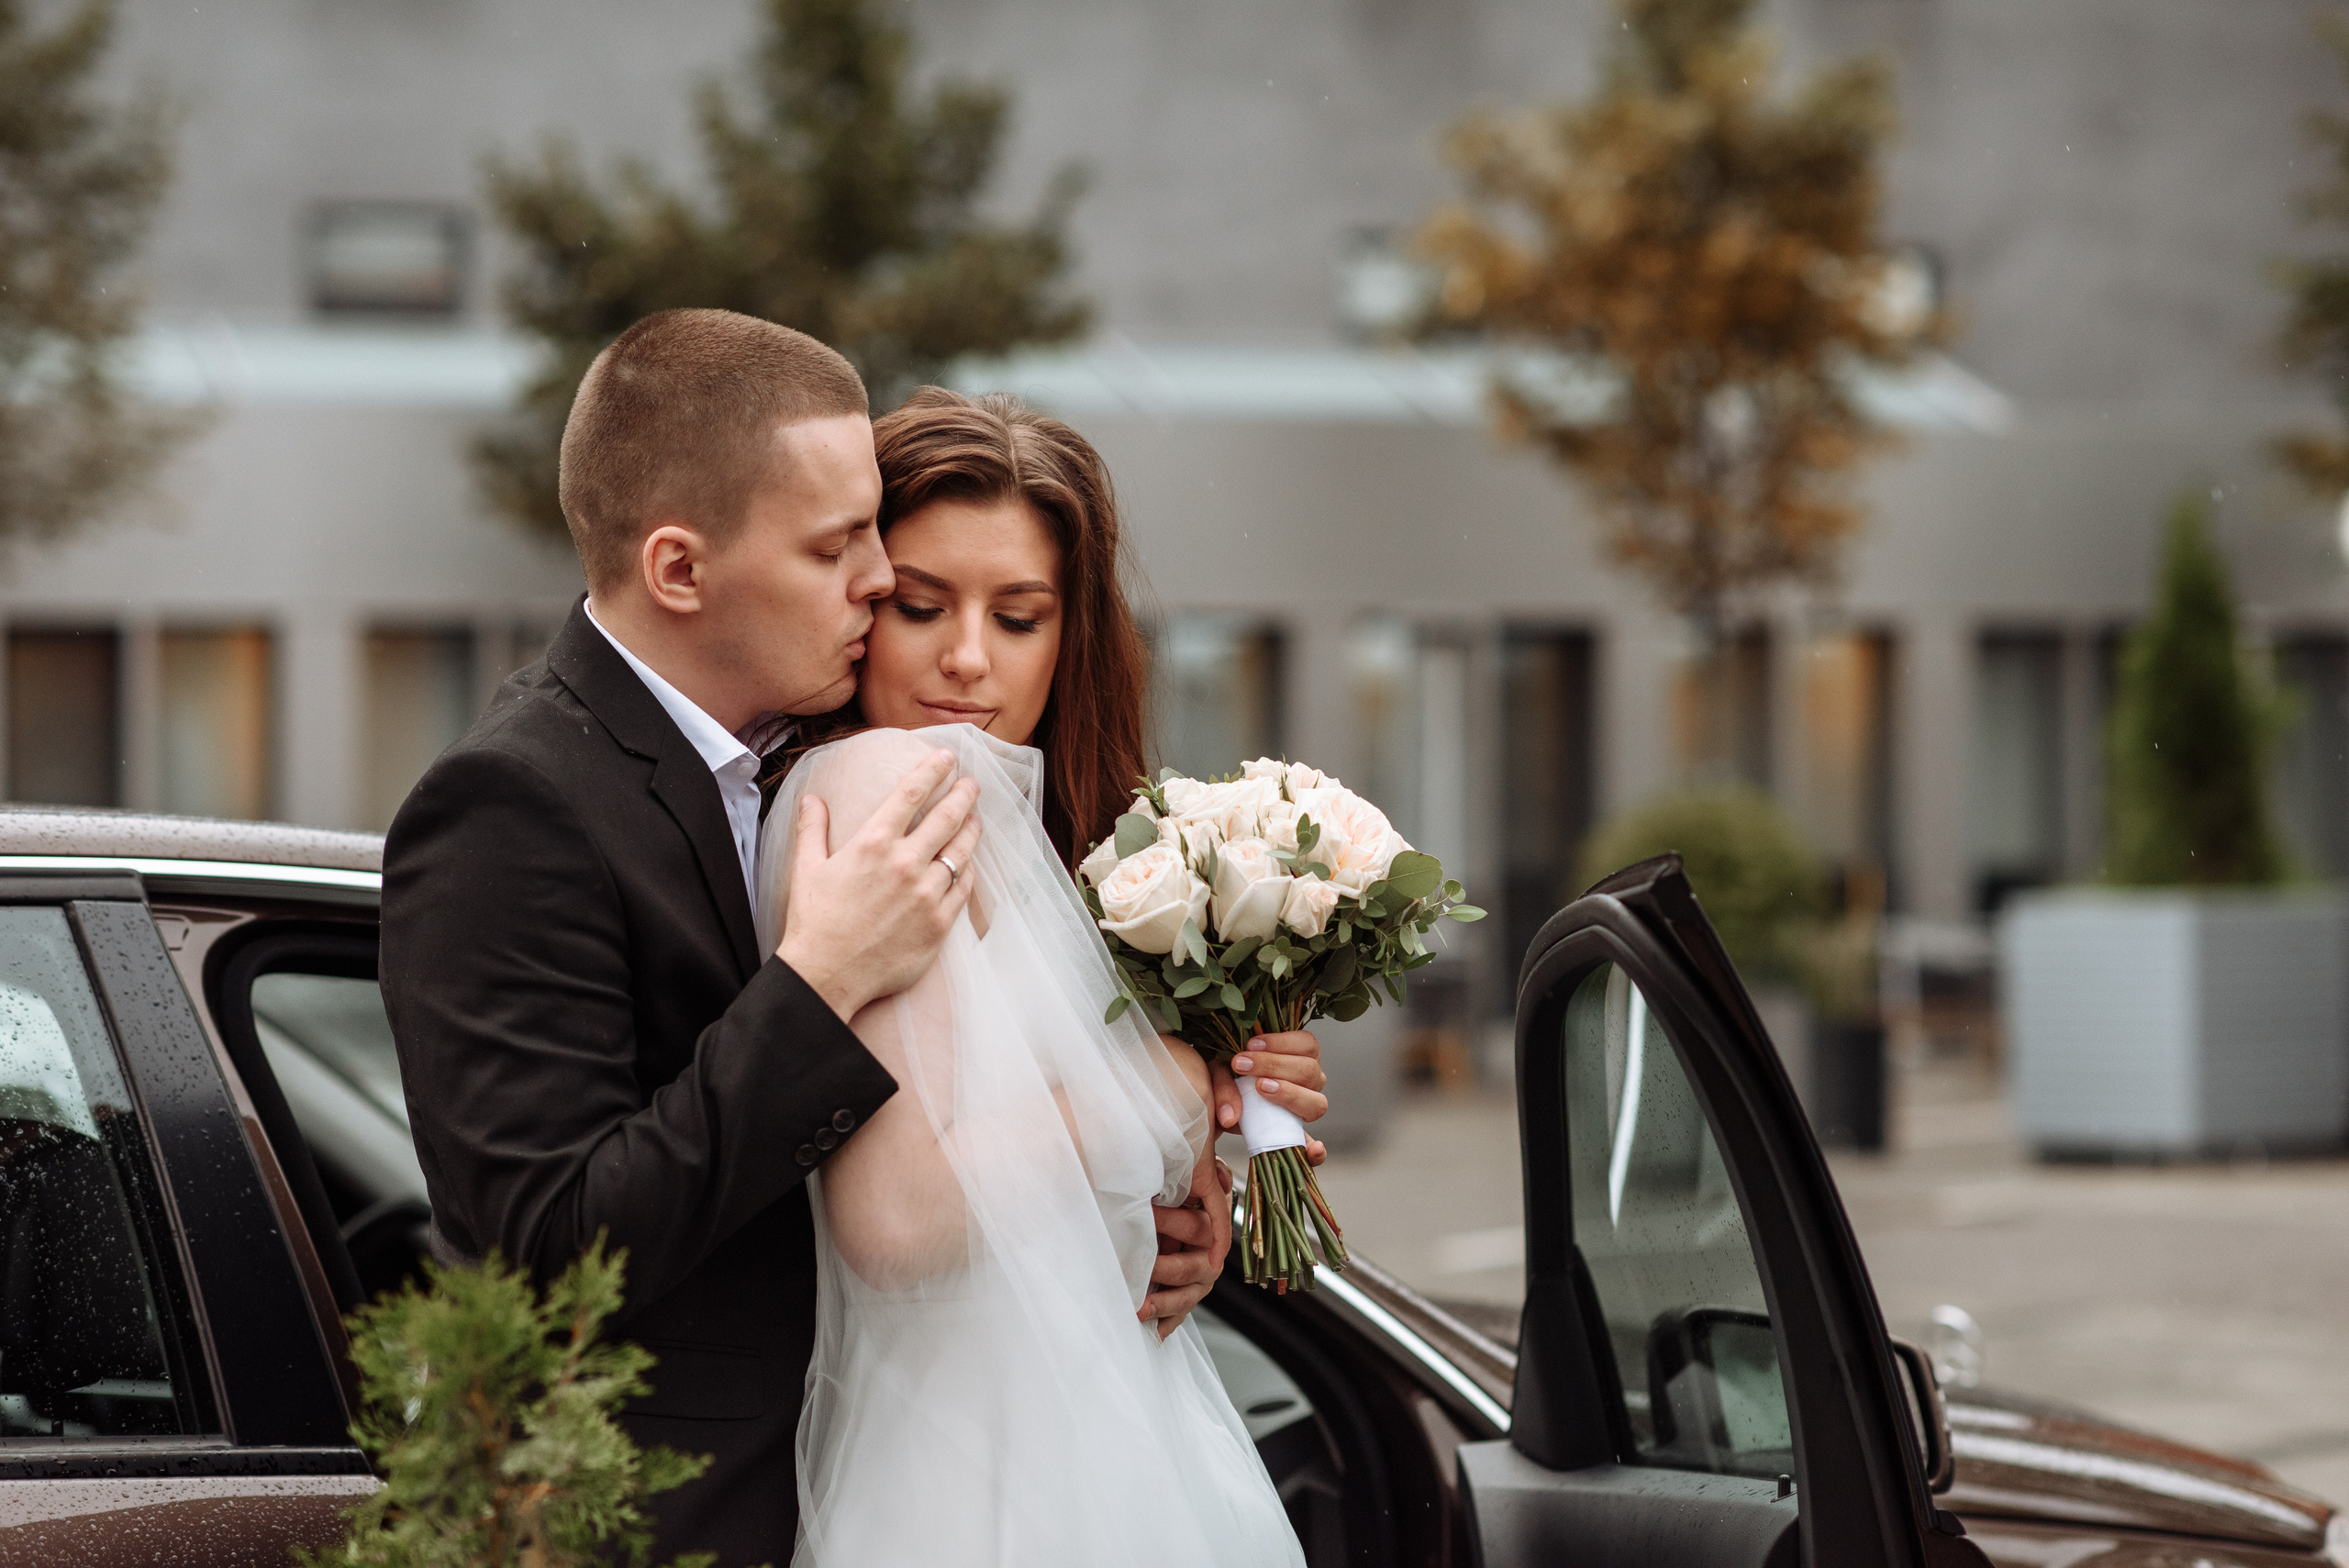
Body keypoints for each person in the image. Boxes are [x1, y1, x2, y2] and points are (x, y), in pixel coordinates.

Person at [382, 313, 1269, 1567]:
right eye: (841, 546)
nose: (873, 579)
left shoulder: (807, 763)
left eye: (872, 536)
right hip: (667, 1525)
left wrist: (1172, 1183)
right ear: (682, 571)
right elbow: (546, 1247)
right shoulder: (516, 804)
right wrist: (821, 981)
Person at [761, 388, 1326, 1565]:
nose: (967, 658)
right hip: (978, 1474)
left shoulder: (1046, 833)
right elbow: (899, 1219)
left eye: (1018, 617)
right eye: (922, 606)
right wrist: (1174, 1089)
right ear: (861, 593)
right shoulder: (887, 792)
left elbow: (1048, 1155)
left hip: (1076, 1435)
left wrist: (1220, 1155)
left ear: (1073, 634)